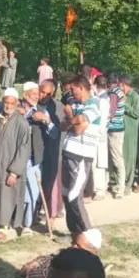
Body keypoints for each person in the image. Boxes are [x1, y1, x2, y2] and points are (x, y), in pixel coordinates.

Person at [61, 76, 100, 237]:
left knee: (74, 196)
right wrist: (72, 120)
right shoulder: (78, 105)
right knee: (65, 194)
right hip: (69, 152)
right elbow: (63, 126)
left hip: (81, 156)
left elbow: (79, 128)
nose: (71, 93)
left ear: (81, 88)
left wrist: (71, 116)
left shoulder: (94, 105)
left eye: (73, 89)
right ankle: (75, 234)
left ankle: (88, 236)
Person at [0, 88, 31, 240]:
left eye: (11, 103)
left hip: (10, 168)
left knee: (7, 197)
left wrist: (14, 172)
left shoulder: (21, 123)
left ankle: (3, 228)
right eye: (5, 103)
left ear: (16, 103)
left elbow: (24, 149)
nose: (8, 106)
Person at [36, 80, 65, 216]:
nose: (44, 96)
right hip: (37, 148)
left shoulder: (58, 107)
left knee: (53, 182)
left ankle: (55, 209)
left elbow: (59, 130)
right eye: (42, 92)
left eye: (48, 94)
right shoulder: (34, 104)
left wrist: (46, 120)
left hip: (54, 149)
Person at [21, 82, 46, 232]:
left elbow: (53, 132)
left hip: (34, 157)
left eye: (37, 93)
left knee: (32, 191)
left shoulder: (42, 111)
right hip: (18, 157)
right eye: (33, 93)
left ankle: (27, 224)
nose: (36, 96)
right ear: (25, 95)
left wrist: (45, 119)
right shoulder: (17, 110)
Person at [120, 74, 139, 195]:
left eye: (120, 84)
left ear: (124, 84)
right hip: (120, 129)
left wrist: (125, 104)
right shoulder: (120, 95)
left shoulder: (135, 97)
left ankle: (129, 183)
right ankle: (120, 182)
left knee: (129, 158)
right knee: (121, 157)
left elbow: (138, 113)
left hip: (131, 131)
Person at [105, 74, 126, 199]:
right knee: (115, 158)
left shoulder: (113, 93)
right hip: (120, 127)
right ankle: (115, 185)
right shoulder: (120, 92)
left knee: (116, 159)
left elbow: (111, 112)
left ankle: (120, 188)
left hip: (114, 129)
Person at [91, 76, 111, 199]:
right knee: (98, 163)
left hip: (100, 135)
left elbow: (102, 120)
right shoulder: (101, 98)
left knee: (99, 163)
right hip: (101, 134)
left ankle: (100, 189)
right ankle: (100, 187)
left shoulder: (102, 100)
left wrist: (98, 134)